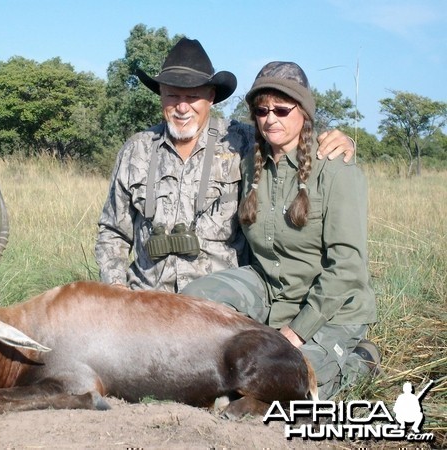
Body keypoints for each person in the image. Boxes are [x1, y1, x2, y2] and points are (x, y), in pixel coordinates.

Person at [181, 61, 378, 400]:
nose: (270, 118)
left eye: (282, 109)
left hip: (330, 307)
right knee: (190, 305)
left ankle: (361, 359)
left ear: (304, 112)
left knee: (284, 382)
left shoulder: (337, 171)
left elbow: (346, 269)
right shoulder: (249, 160)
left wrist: (295, 334)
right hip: (269, 290)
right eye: (261, 109)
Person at [95, 38, 355, 293]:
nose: (182, 107)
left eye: (193, 96)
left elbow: (287, 135)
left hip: (220, 303)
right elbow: (112, 231)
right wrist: (117, 289)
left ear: (211, 97)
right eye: (172, 95)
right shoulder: (136, 149)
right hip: (147, 298)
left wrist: (338, 139)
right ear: (160, 95)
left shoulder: (241, 140)